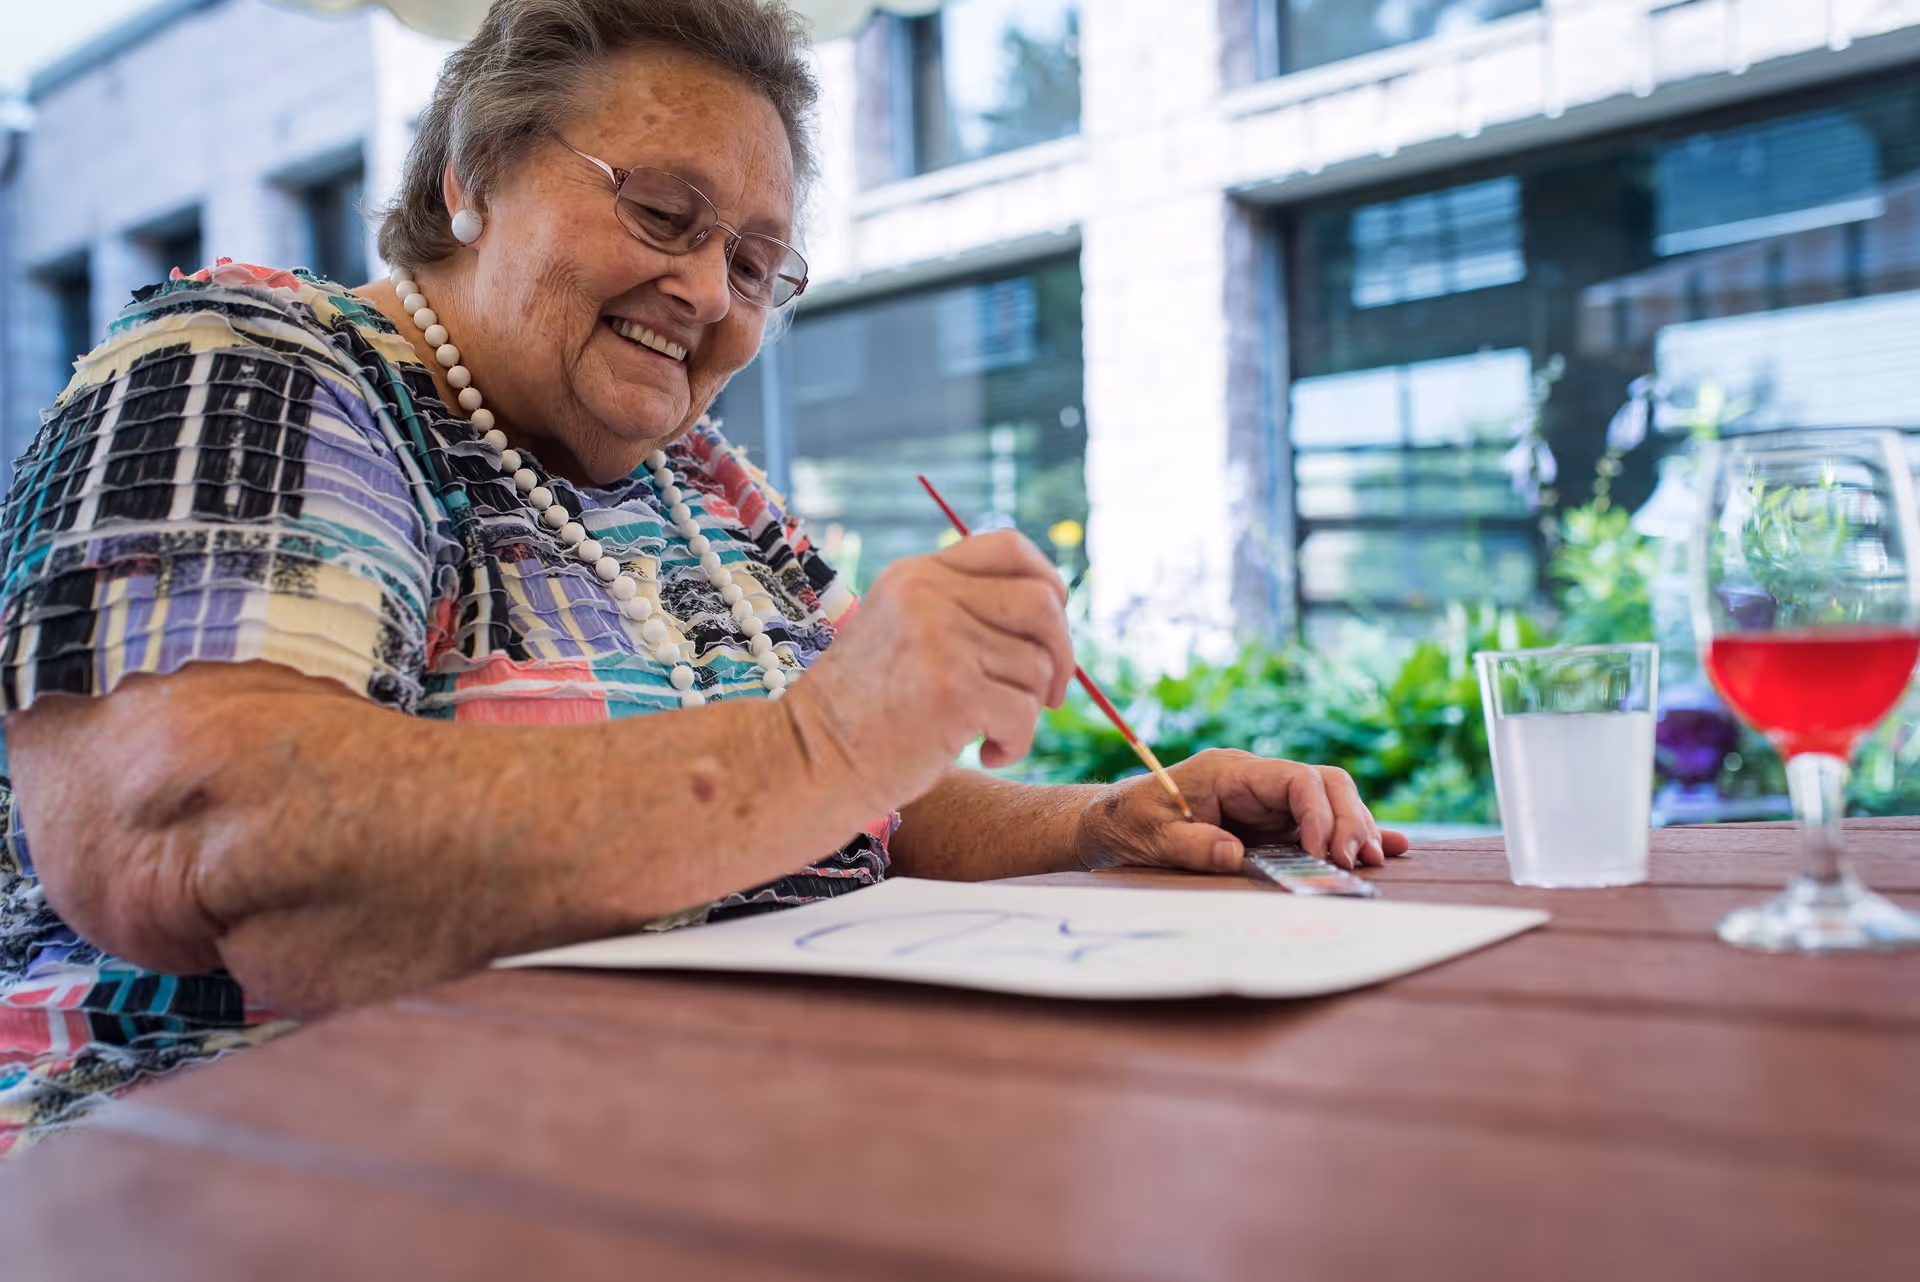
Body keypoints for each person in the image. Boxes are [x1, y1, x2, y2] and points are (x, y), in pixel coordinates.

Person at [0, 0, 1405, 1156]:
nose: (713, 293)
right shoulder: (243, 375)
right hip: (254, 1163)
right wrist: (824, 728)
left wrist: (1100, 823)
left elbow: (871, 804)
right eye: (666, 214)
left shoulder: (701, 482)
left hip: (703, 1132)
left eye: (757, 262)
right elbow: (199, 828)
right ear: (468, 177)